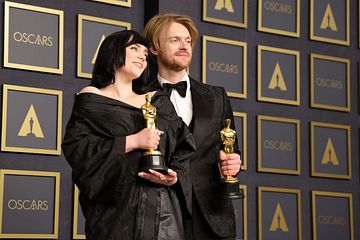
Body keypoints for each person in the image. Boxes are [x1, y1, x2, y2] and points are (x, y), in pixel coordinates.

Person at [62, 30, 195, 240]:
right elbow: (77, 149)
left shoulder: (157, 100)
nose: (142, 55)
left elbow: (183, 145)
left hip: (162, 210)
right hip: (115, 212)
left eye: (144, 52)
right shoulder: (91, 99)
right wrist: (132, 141)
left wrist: (174, 177)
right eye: (134, 48)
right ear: (113, 53)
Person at [143, 14, 242, 239]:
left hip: (211, 217)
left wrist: (233, 164)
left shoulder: (217, 96)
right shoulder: (139, 97)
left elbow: (230, 152)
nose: (184, 46)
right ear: (154, 49)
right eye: (174, 40)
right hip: (160, 213)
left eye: (188, 41)